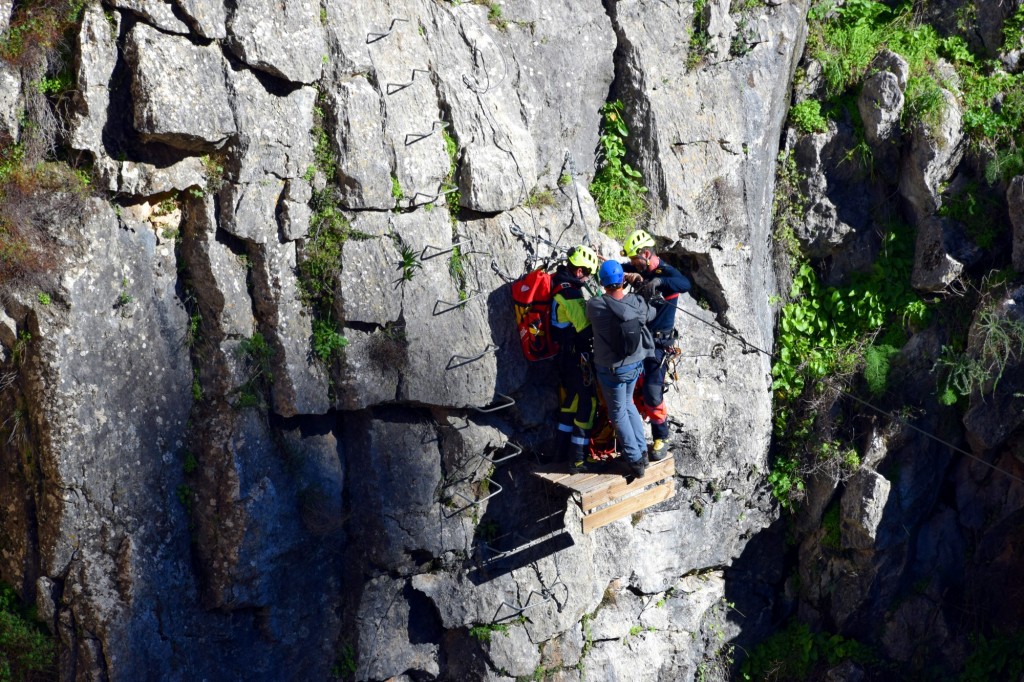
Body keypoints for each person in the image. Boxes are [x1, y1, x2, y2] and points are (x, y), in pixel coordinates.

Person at [621, 229, 692, 461]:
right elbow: (623, 268)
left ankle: (661, 436)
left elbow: (684, 283)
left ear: (646, 253)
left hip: (659, 344)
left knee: (652, 393)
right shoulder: (640, 268)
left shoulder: (667, 273)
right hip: (641, 339)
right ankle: (633, 439)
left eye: (635, 260)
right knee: (632, 389)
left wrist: (659, 281)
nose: (634, 264)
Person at [586, 259, 655, 478]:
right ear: (621, 281)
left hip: (612, 369)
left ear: (602, 282)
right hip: (634, 364)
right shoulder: (636, 302)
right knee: (629, 405)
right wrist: (632, 281)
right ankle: (642, 451)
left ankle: (635, 460)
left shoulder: (594, 305)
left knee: (618, 413)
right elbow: (650, 314)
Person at [551, 245, 599, 472]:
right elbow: (585, 328)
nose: (588, 278)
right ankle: (578, 459)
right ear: (579, 271)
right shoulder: (570, 291)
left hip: (563, 356)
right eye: (588, 273)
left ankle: (560, 452)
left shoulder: (559, 281)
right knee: (588, 403)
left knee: (571, 402)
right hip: (576, 356)